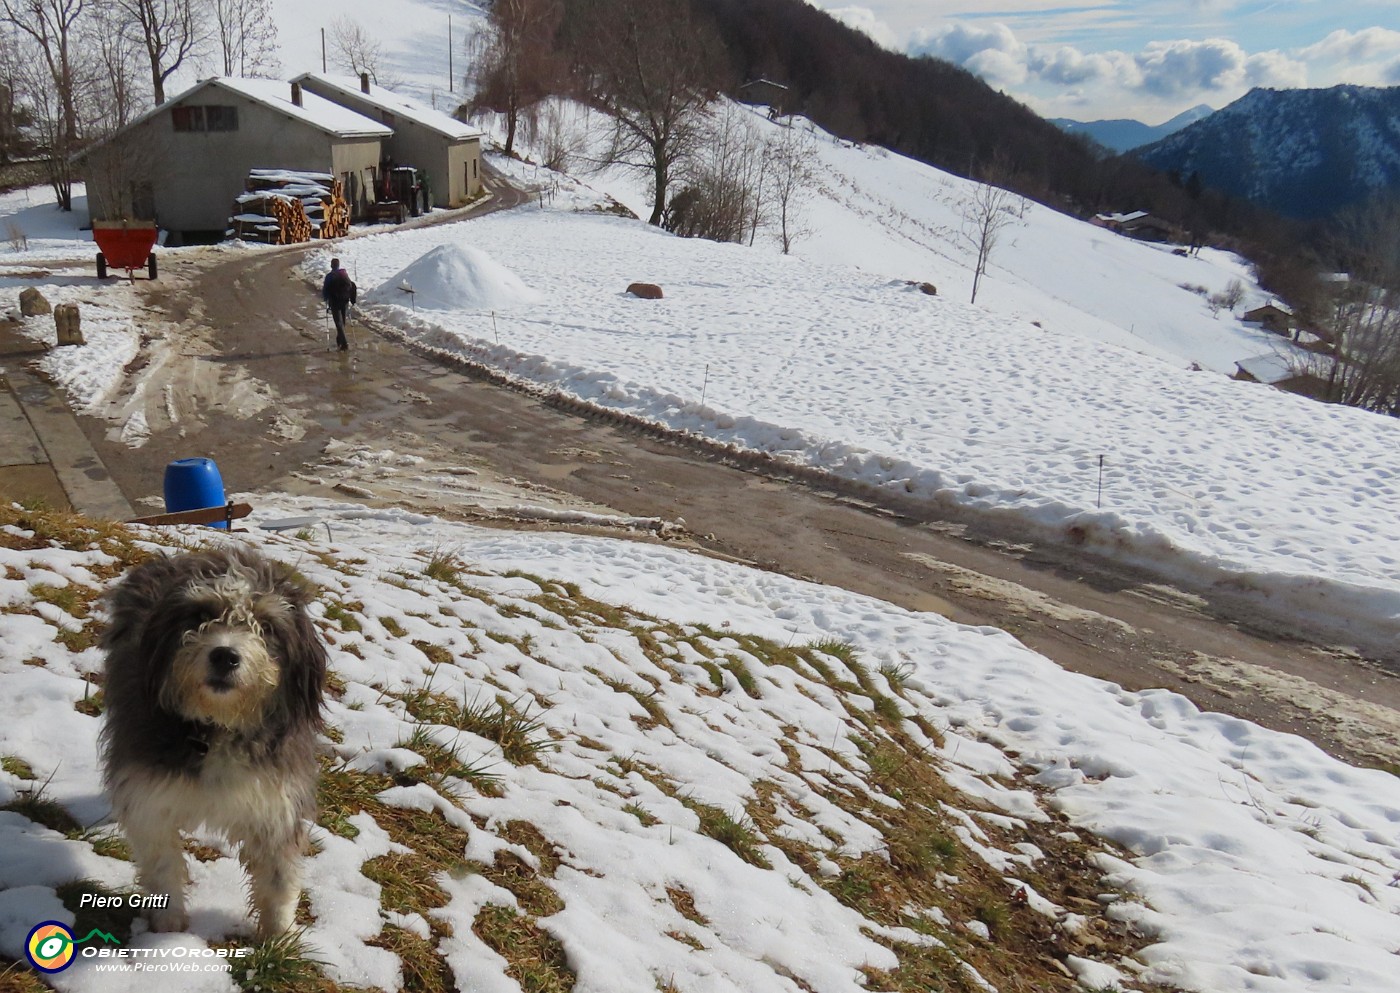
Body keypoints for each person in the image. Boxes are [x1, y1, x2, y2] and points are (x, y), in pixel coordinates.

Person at [321, 257, 357, 351]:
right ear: (338, 265)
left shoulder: (329, 276)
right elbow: (351, 285)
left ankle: (344, 343)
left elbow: (325, 290)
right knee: (342, 322)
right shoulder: (344, 273)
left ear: (331, 265)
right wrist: (352, 299)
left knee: (338, 323)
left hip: (335, 302)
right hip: (345, 300)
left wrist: (326, 299)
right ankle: (339, 339)